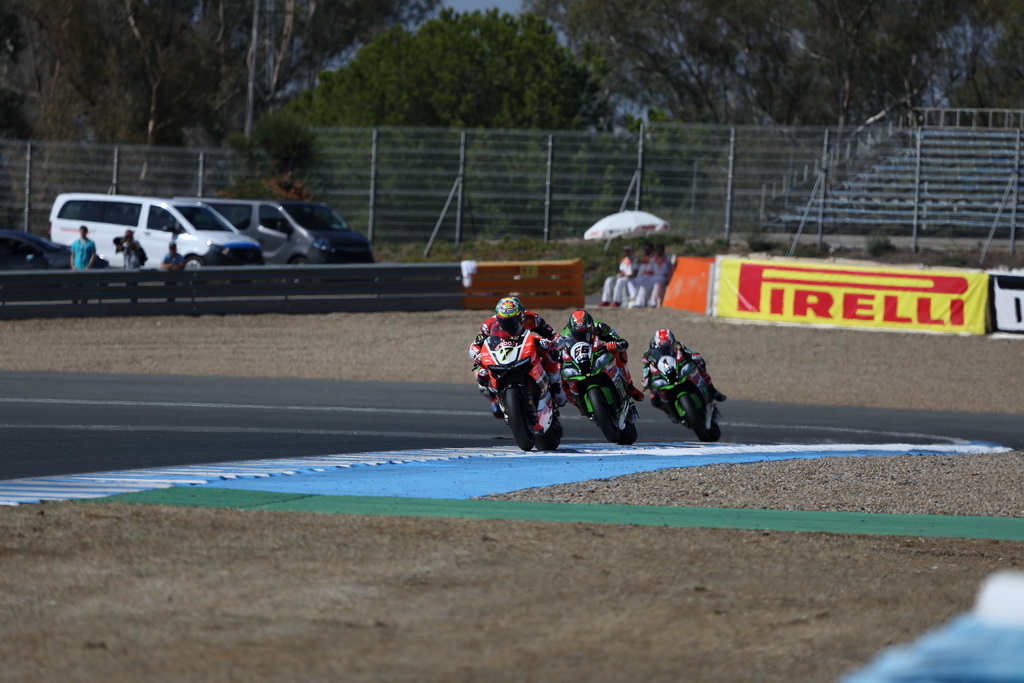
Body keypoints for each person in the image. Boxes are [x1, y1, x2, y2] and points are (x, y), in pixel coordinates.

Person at [469, 296, 565, 418]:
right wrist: (478, 356)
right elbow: (474, 346)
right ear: (498, 318)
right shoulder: (488, 326)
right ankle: (496, 400)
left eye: (514, 320)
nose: (510, 325)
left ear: (522, 315)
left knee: (551, 354)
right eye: (505, 322)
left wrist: (553, 344)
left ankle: (556, 385)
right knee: (480, 373)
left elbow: (554, 335)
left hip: (526, 348)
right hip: (501, 354)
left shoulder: (533, 319)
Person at [559, 309, 645, 414]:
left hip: (596, 354)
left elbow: (621, 341)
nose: (582, 334)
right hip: (577, 362)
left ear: (590, 326)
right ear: (571, 328)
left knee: (620, 353)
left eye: (585, 331)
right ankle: (578, 404)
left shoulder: (599, 326)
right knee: (559, 374)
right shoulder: (563, 336)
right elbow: (554, 352)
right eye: (578, 332)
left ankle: (629, 386)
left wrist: (616, 345)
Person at [642, 328, 726, 422]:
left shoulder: (678, 346)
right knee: (654, 400)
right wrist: (645, 378)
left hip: (679, 369)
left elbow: (689, 353)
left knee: (700, 366)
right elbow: (646, 368)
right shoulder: (648, 354)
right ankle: (669, 413)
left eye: (668, 347)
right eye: (663, 348)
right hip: (661, 376)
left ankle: (712, 390)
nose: (665, 349)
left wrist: (694, 357)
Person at [70, 225, 96, 304]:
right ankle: (75, 301)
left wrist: (89, 266)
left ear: (86, 232)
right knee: (76, 285)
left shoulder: (90, 243)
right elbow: (72, 255)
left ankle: (84, 301)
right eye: (81, 231)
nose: (82, 232)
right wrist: (72, 265)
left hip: (85, 267)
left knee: (85, 286)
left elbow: (93, 255)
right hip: (77, 267)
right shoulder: (75, 243)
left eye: (84, 231)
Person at [630, 242, 657, 307]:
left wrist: (638, 260)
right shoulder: (645, 257)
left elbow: (647, 262)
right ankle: (633, 298)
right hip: (644, 276)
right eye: (645, 248)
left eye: (647, 248)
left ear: (651, 249)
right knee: (631, 282)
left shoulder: (654, 257)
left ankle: (639, 303)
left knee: (643, 286)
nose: (645, 250)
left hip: (652, 276)